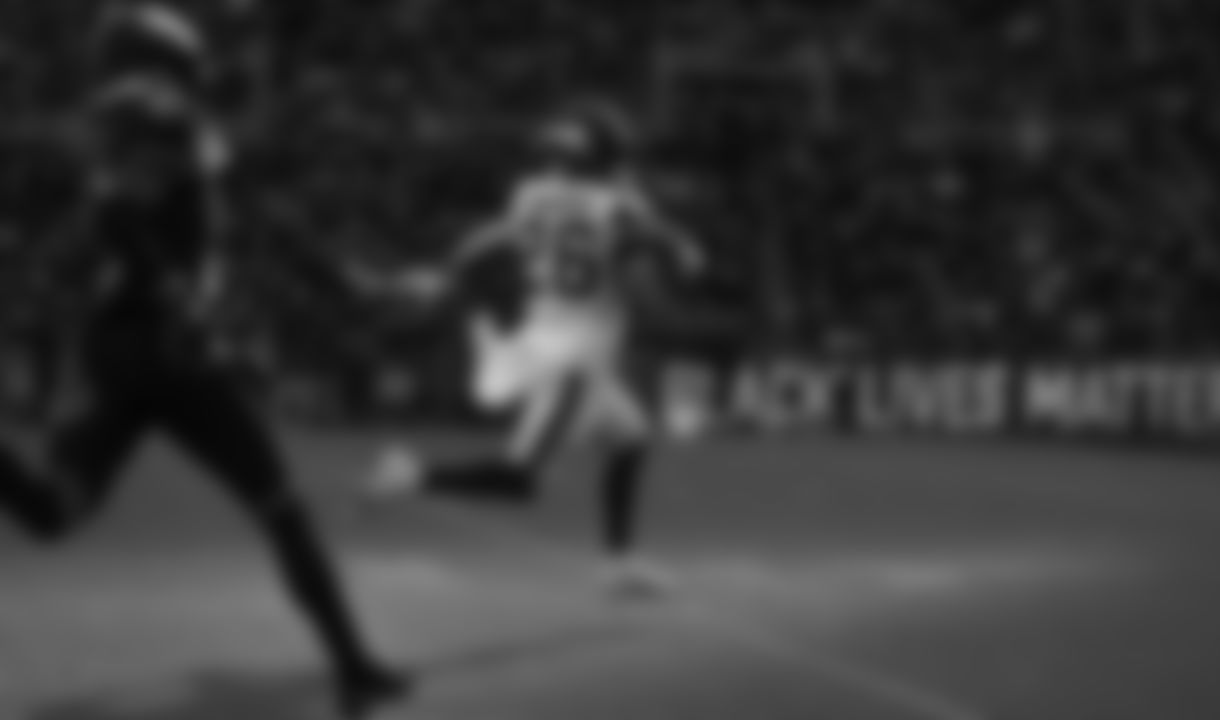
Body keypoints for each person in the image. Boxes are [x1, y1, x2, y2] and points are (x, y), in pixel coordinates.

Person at [0, 7, 408, 718]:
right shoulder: (158, 111)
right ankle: (352, 667)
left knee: (54, 512)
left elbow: (156, 212)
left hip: (120, 349)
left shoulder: (120, 117)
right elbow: (131, 214)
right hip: (165, 347)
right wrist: (180, 292)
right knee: (281, 506)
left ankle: (354, 668)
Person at [354, 102, 705, 594]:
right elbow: (661, 254)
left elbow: (495, 236)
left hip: (546, 339)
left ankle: (619, 564)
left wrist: (448, 273)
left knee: (630, 439)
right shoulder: (620, 207)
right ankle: (412, 475)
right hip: (573, 364)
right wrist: (683, 250)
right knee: (520, 480)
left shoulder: (532, 194)